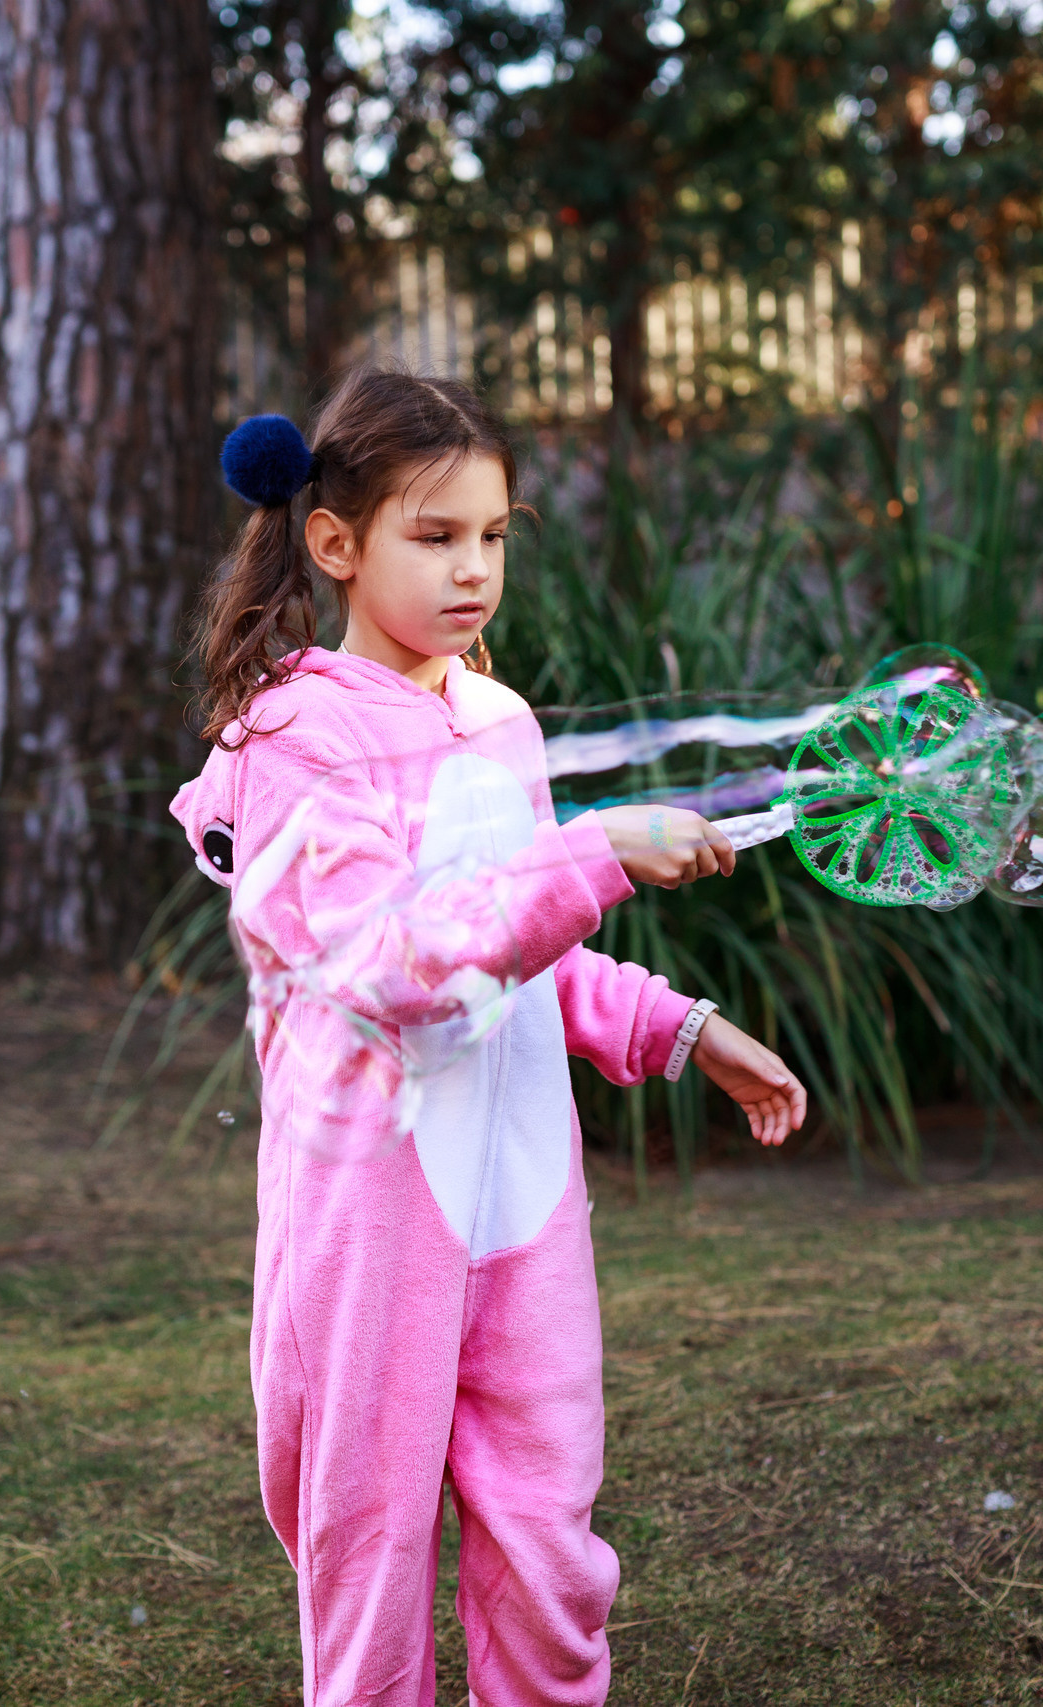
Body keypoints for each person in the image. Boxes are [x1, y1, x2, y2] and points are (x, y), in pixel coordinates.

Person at [172, 368, 807, 1707]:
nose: (474, 571)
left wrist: (680, 1029)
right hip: (374, 1228)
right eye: (436, 535)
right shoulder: (297, 736)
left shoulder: (498, 721)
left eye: (495, 536)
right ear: (335, 545)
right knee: (372, 1551)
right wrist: (598, 851)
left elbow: (527, 955)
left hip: (520, 1215)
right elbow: (388, 962)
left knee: (547, 1541)